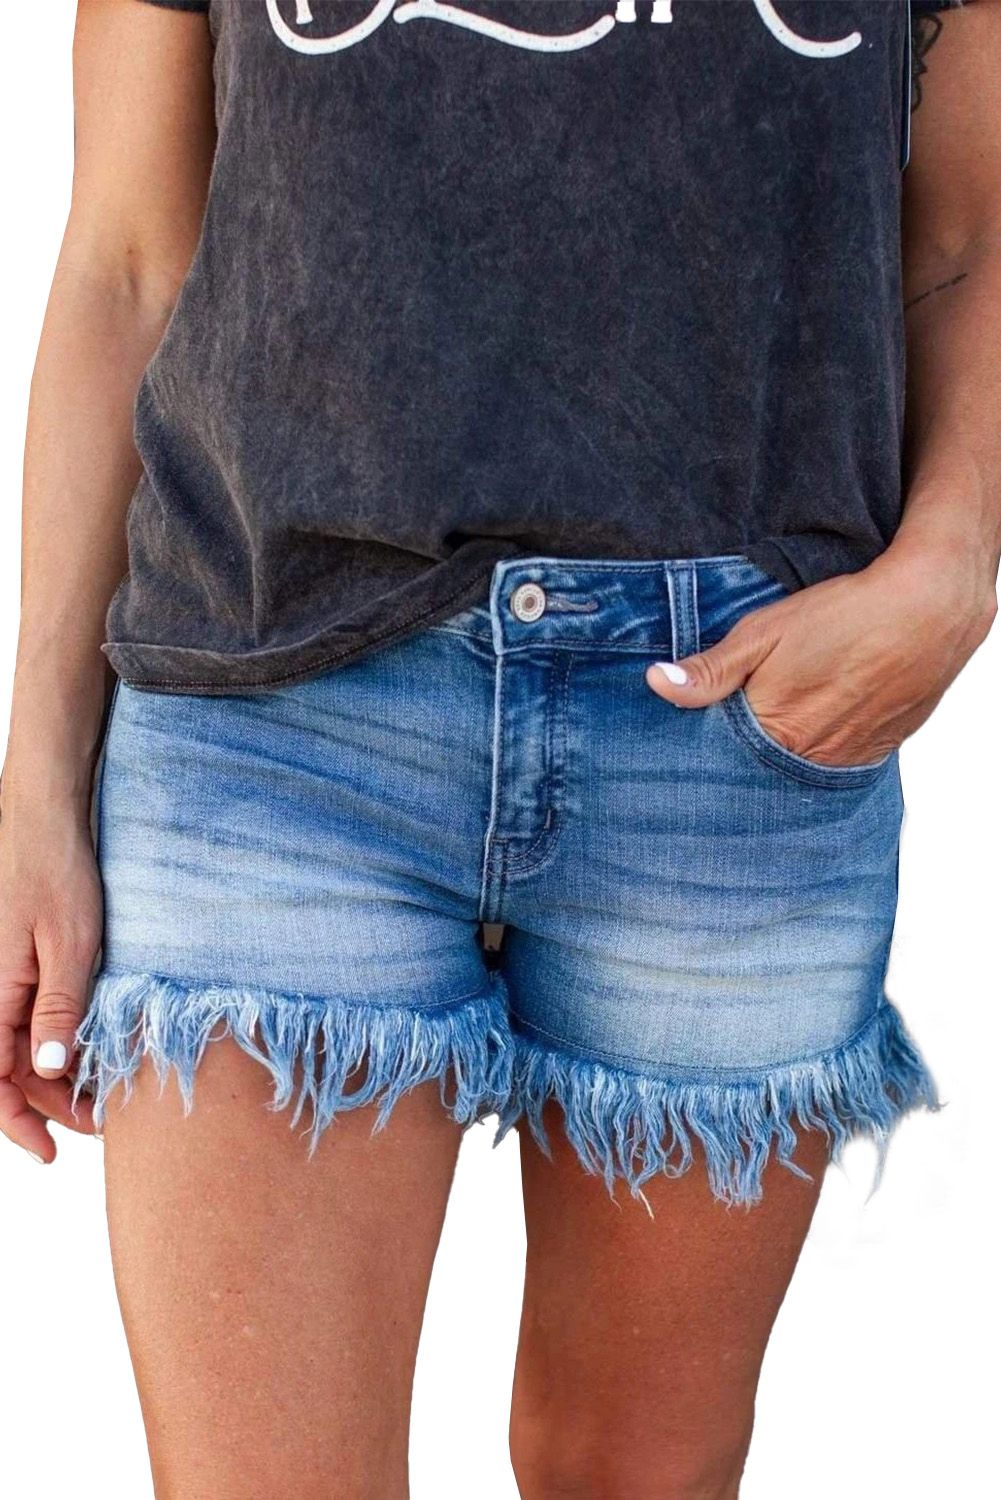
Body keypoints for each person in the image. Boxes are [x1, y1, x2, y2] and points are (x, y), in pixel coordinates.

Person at [1, 2, 998, 1496]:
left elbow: (968, 239)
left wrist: (957, 562)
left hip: (732, 727)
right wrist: (34, 781)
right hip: (275, 718)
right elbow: (125, 263)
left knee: (630, 1474)